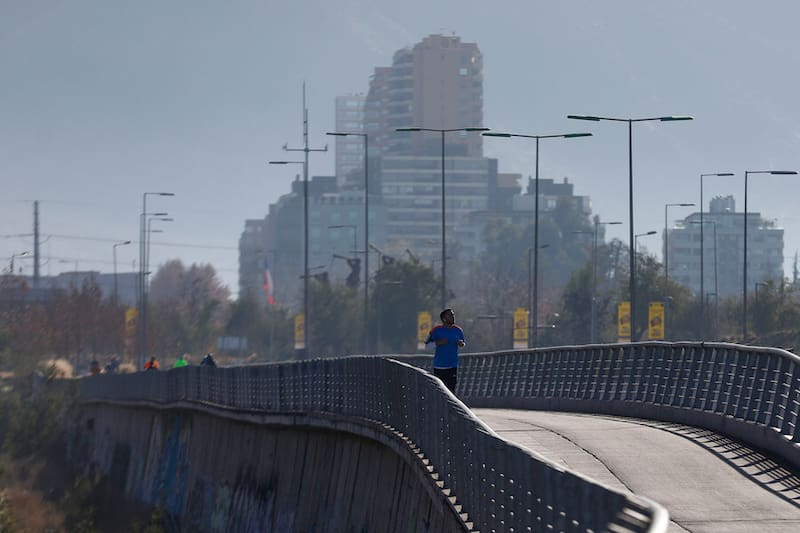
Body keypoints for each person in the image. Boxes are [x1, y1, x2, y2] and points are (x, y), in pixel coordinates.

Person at [425, 308, 466, 394]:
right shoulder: (436, 330)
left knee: (451, 391)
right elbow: (426, 346)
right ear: (444, 319)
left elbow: (462, 343)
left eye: (453, 315)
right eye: (450, 315)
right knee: (440, 392)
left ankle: (450, 408)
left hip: (452, 365)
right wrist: (438, 343)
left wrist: (461, 344)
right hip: (439, 366)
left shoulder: (458, 330)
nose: (453, 317)